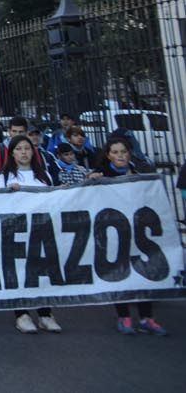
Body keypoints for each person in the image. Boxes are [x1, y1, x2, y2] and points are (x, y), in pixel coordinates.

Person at [87, 137, 168, 336]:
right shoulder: (101, 177)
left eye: (123, 152)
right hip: (112, 234)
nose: (120, 156)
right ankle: (124, 316)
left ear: (129, 153)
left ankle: (147, 317)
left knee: (143, 274)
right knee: (119, 274)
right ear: (108, 155)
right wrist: (91, 181)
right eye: (115, 152)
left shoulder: (139, 176)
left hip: (137, 233)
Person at [0, 135, 62, 334]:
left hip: (40, 230)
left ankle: (45, 314)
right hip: (14, 232)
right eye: (19, 149)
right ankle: (21, 314)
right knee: (18, 272)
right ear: (12, 153)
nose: (23, 152)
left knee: (41, 272)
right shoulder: (2, 177)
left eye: (27, 148)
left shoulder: (43, 175)